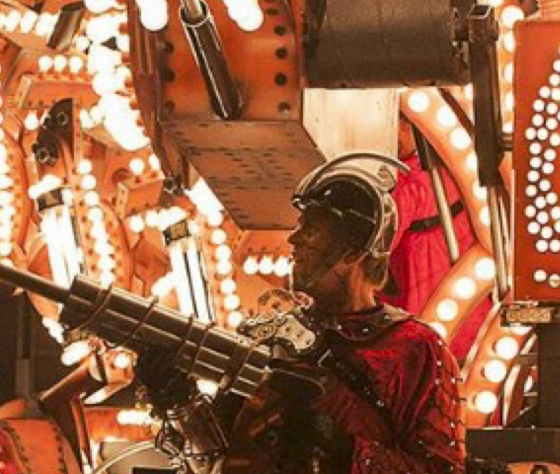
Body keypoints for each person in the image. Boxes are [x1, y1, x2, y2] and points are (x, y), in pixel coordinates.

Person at [136, 153, 466, 474]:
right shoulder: (265, 338)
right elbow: (212, 461)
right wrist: (178, 400)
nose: (294, 239)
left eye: (311, 229)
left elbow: (440, 469)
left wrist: (345, 448)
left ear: (353, 248)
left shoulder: (415, 350)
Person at [389, 117, 489, 362]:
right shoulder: (452, 168)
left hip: (427, 305)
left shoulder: (406, 182)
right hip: (471, 312)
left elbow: (379, 244)